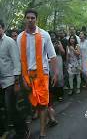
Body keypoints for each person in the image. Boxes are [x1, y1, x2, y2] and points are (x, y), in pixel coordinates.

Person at [17, 9, 58, 138]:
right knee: (30, 106)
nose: (30, 20)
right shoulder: (20, 37)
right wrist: (21, 78)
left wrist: (55, 73)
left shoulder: (45, 35)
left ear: (36, 19)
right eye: (28, 17)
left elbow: (52, 56)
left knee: (43, 104)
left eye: (32, 18)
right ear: (25, 19)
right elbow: (19, 59)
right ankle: (30, 130)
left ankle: (42, 132)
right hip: (26, 76)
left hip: (42, 75)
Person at [0, 20, 23, 138]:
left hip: (10, 80)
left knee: (12, 108)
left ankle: (22, 131)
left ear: (3, 28)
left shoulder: (9, 42)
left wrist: (17, 82)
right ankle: (5, 130)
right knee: (4, 109)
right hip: (1, 80)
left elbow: (16, 62)